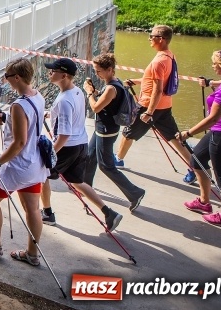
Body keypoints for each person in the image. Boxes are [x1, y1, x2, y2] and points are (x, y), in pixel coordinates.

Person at [0, 58, 49, 266]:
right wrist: (8, 120)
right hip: (35, 164)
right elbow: (30, 125)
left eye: (7, 77)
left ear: (17, 78)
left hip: (17, 167)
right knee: (33, 209)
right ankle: (32, 254)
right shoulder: (38, 96)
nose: (5, 80)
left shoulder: (18, 105)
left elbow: (20, 142)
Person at [39, 58, 123, 231]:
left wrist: (51, 153)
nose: (49, 73)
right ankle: (108, 212)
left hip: (67, 147)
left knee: (42, 175)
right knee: (77, 181)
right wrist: (51, 114)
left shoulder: (63, 100)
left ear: (64, 76)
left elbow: (64, 134)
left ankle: (47, 213)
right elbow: (72, 115)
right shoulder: (77, 92)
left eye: (53, 71)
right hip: (81, 144)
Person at [114, 25, 195, 183]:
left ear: (161, 39)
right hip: (165, 105)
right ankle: (194, 167)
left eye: (152, 36)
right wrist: (136, 81)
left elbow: (157, 89)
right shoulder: (169, 56)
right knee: (174, 137)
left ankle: (118, 159)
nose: (149, 39)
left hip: (149, 105)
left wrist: (149, 112)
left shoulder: (158, 62)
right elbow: (156, 80)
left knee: (128, 132)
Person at [180, 49, 221, 229]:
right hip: (220, 132)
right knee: (197, 158)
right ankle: (204, 202)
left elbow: (213, 119)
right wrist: (212, 85)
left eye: (215, 63)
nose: (212, 66)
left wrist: (188, 133)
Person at [83, 53, 146, 211]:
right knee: (90, 158)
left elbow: (96, 108)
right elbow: (108, 102)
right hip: (102, 128)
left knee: (106, 166)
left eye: (99, 71)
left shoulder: (111, 88)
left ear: (110, 69)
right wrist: (96, 93)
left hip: (106, 131)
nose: (97, 74)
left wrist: (89, 92)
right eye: (95, 70)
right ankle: (85, 189)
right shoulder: (115, 83)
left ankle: (135, 193)